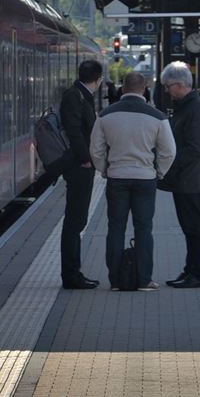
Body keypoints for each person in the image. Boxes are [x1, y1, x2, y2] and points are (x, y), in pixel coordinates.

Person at [89, 71, 176, 291]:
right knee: (144, 228)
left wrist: (105, 170)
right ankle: (144, 279)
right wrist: (159, 172)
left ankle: (116, 281)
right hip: (145, 179)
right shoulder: (157, 117)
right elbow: (169, 151)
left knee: (115, 228)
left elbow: (96, 150)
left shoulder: (105, 115)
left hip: (117, 178)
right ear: (144, 89)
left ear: (123, 88)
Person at [158, 61, 200, 289]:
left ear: (179, 85)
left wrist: (170, 162)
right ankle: (190, 270)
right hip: (185, 177)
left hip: (190, 177)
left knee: (194, 226)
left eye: (168, 86)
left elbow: (194, 148)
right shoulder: (186, 106)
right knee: (189, 226)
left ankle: (197, 273)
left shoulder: (194, 108)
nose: (166, 91)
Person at [59, 59, 104, 290]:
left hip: (82, 165)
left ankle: (73, 272)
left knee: (77, 220)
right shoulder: (75, 97)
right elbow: (74, 131)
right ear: (99, 80)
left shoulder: (78, 95)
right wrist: (86, 158)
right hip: (79, 167)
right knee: (75, 221)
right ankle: (71, 275)